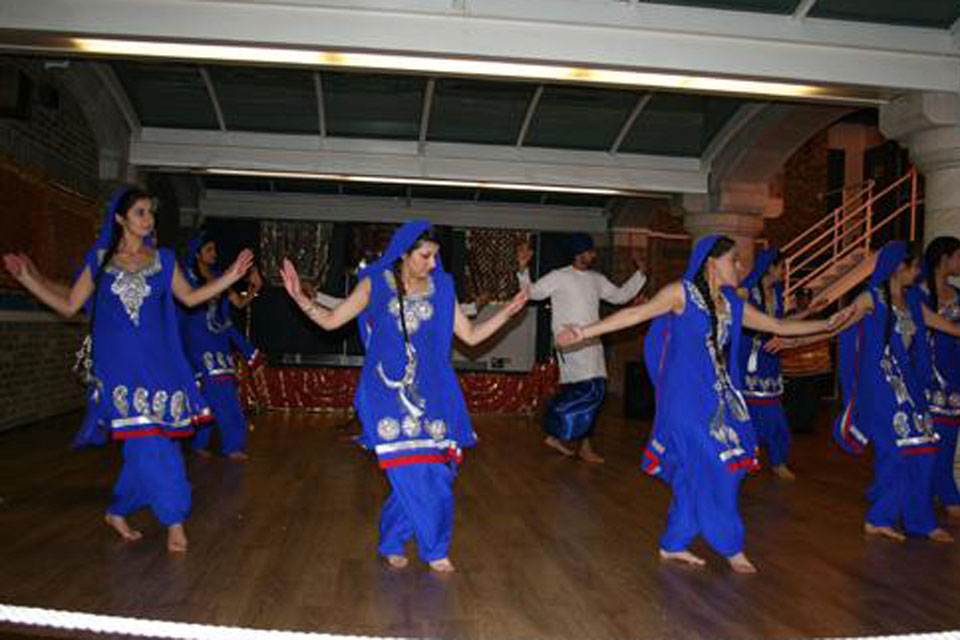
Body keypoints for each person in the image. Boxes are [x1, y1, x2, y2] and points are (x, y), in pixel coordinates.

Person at [556, 235, 851, 572]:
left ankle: (674, 542)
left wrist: (827, 324)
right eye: (733, 260)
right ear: (712, 262)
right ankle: (730, 544)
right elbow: (635, 314)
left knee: (700, 471)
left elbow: (779, 326)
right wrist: (583, 332)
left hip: (717, 397)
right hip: (684, 400)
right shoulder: (681, 293)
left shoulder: (732, 304)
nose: (740, 266)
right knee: (719, 464)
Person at [2, 186, 253, 553]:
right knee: (155, 446)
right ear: (120, 218)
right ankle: (174, 520)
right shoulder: (101, 259)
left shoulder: (164, 259)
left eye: (150, 212)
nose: (148, 219)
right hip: (119, 370)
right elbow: (70, 304)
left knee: (149, 442)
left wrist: (230, 277)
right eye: (140, 212)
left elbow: (191, 298)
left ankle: (118, 509)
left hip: (160, 366)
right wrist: (28, 278)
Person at [280, 220, 527, 572]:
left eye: (436, 256)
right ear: (404, 254)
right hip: (385, 393)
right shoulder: (375, 285)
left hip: (435, 393)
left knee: (439, 472)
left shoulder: (442, 287)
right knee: (410, 470)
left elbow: (470, 336)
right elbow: (332, 321)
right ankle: (435, 548)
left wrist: (507, 313)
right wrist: (299, 298)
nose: (432, 263)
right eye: (425, 256)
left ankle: (392, 539)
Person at [834, 242, 960, 543]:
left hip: (908, 384)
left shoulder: (913, 300)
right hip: (880, 385)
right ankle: (880, 518)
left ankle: (920, 521)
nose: (918, 273)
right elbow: (836, 325)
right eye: (914, 267)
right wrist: (792, 339)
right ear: (897, 267)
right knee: (895, 451)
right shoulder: (871, 299)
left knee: (925, 448)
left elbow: (949, 327)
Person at [517, 233, 646, 463]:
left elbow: (619, 296)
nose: (593, 255)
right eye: (589, 251)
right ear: (578, 253)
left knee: (587, 392)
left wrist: (640, 274)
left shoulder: (596, 279)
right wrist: (522, 269)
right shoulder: (559, 277)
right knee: (591, 391)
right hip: (570, 343)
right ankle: (562, 431)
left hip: (592, 342)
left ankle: (560, 435)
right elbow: (532, 293)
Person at [179, 231, 262, 460]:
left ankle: (201, 443)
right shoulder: (187, 278)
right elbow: (188, 302)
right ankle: (232, 445)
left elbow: (239, 302)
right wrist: (227, 277)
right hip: (196, 341)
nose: (214, 254)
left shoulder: (219, 277)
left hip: (218, 342)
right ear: (197, 254)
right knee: (216, 391)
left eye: (214, 250)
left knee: (214, 392)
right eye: (209, 250)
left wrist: (253, 288)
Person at [737, 248, 796, 479]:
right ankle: (743, 457)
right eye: (782, 267)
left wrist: (808, 312)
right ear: (770, 267)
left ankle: (778, 460)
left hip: (770, 358)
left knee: (774, 413)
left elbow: (778, 324)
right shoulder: (748, 291)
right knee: (747, 413)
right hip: (748, 357)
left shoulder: (778, 292)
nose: (784, 272)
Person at [921, 237, 960, 519]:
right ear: (945, 259)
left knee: (947, 442)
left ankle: (946, 493)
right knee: (923, 445)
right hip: (926, 379)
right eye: (958, 256)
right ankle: (921, 497)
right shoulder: (919, 295)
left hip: (954, 378)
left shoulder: (959, 295)